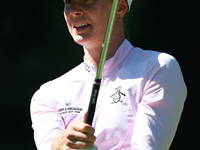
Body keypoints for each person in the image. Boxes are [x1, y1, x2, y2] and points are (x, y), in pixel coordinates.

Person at [30, 0, 187, 149]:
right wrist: (56, 146)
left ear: (120, 7)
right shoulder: (46, 95)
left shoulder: (158, 68)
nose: (74, 11)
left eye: (87, 0)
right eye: (69, 1)